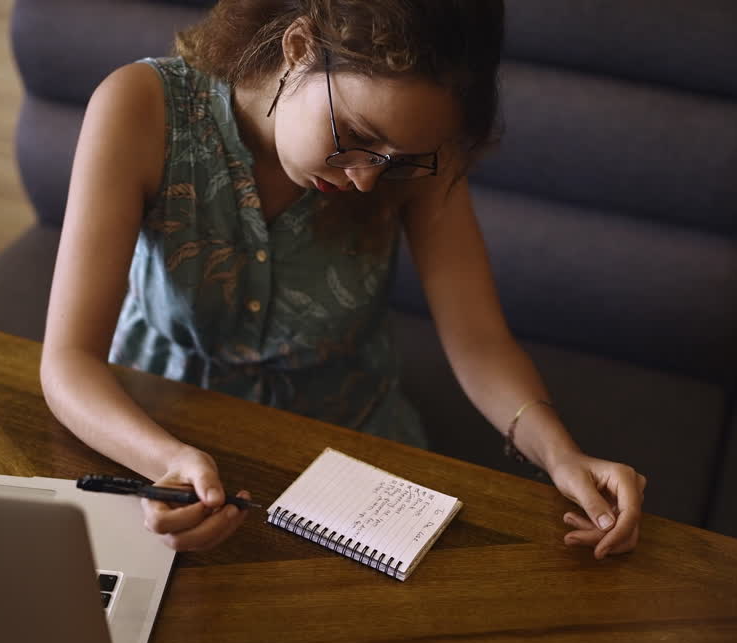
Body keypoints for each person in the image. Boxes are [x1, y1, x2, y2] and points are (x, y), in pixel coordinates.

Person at [41, 0, 646, 558]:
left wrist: (560, 453)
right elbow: (67, 362)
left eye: (400, 161)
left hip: (349, 457)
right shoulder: (141, 108)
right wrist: (165, 461)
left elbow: (479, 341)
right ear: (300, 47)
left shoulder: (416, 151)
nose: (365, 180)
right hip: (151, 427)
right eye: (356, 136)